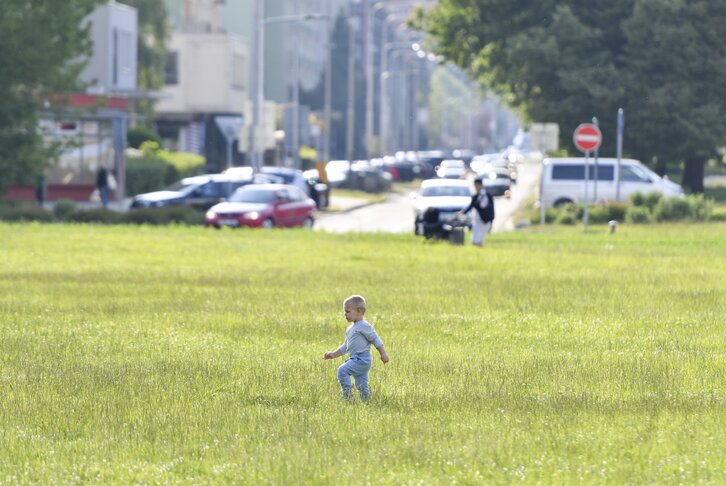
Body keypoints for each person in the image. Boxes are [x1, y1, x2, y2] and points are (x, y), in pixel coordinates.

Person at [323, 295, 389, 400]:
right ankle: (366, 400)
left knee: (342, 371)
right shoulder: (350, 329)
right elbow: (345, 347)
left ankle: (348, 396)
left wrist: (383, 354)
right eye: (345, 312)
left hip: (362, 359)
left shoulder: (364, 325)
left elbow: (375, 339)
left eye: (348, 311)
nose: (345, 314)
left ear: (358, 311)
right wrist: (333, 354)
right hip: (356, 359)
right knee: (361, 385)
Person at [458, 177, 495, 247]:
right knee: (476, 240)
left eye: (476, 185)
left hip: (484, 221)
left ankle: (479, 253)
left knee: (477, 240)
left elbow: (491, 210)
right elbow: (471, 206)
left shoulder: (486, 196)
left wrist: (491, 221)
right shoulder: (476, 196)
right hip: (477, 220)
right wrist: (462, 212)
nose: (475, 187)